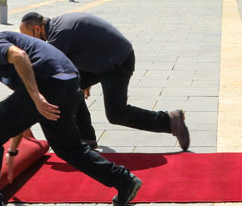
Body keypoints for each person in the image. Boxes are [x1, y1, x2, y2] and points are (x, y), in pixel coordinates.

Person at [0, 29, 143, 206]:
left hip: (48, 84)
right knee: (69, 148)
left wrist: (38, 97)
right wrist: (13, 151)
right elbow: (19, 116)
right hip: (70, 83)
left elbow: (19, 56)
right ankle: (124, 181)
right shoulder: (7, 58)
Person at [20, 12, 190, 151]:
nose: (31, 45)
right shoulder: (58, 25)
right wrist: (81, 81)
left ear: (37, 29)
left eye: (29, 39)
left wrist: (23, 118)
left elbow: (45, 76)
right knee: (71, 87)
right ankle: (86, 136)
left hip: (117, 62)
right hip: (105, 58)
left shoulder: (58, 37)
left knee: (116, 113)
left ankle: (170, 120)